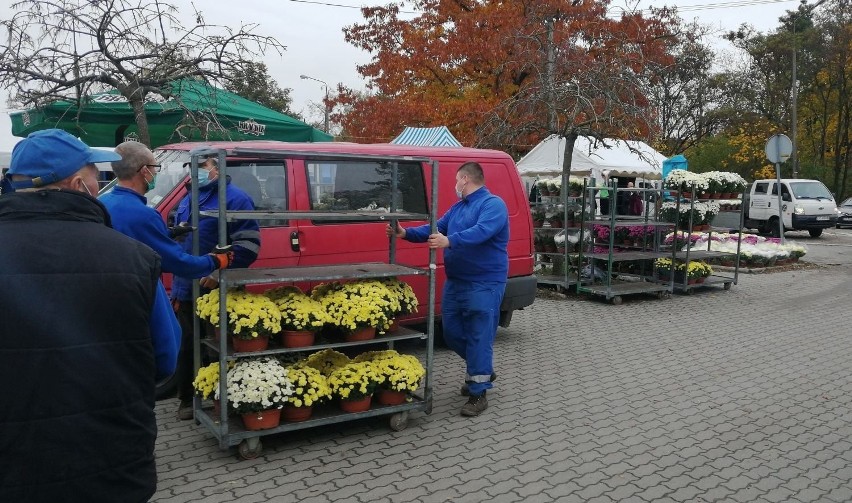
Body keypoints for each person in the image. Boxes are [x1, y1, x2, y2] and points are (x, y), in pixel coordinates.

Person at [0, 129, 180, 502]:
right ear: (78, 183)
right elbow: (166, 357)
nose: (102, 181)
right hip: (110, 463)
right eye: (97, 173)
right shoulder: (133, 257)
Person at [387, 161, 508, 417]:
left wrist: (450, 241)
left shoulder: (493, 205)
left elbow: (482, 232)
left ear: (464, 179)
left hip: (484, 282)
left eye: (456, 180)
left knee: (478, 335)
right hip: (457, 281)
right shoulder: (458, 208)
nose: (455, 185)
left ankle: (478, 393)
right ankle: (481, 368)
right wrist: (405, 233)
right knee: (451, 332)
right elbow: (435, 229)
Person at [170, 155, 260, 420]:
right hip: (186, 287)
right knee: (187, 345)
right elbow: (178, 235)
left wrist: (219, 271)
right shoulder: (188, 198)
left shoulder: (236, 199)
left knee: (218, 346)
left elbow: (248, 246)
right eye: (191, 165)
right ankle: (188, 399)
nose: (194, 170)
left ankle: (223, 398)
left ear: (216, 169)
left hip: (217, 290)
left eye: (202, 165)